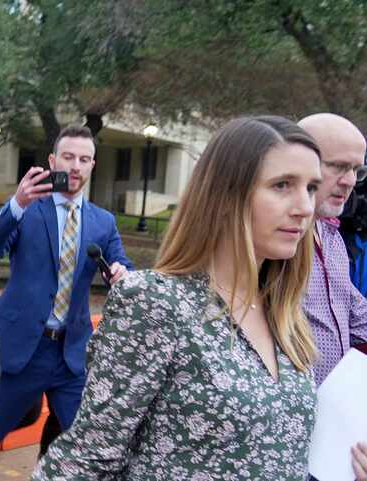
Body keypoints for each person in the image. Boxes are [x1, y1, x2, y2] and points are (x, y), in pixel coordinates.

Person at [33, 116, 322, 480]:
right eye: (282, 185)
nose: (305, 207)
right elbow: (87, 457)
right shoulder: (156, 304)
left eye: (311, 188)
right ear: (226, 195)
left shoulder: (286, 314)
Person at [0, 124, 131, 481]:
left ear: (92, 166)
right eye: (68, 157)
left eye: (84, 159)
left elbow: (124, 271)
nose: (75, 166)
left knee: (86, 445)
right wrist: (17, 204)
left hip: (71, 356)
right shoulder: (30, 210)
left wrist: (121, 275)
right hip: (21, 351)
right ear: (53, 161)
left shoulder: (104, 222)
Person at [296, 113, 367, 480]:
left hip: (334, 426)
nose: (349, 181)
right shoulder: (276, 241)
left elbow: (356, 313)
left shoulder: (335, 239)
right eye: (338, 166)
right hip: (288, 426)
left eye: (356, 169)